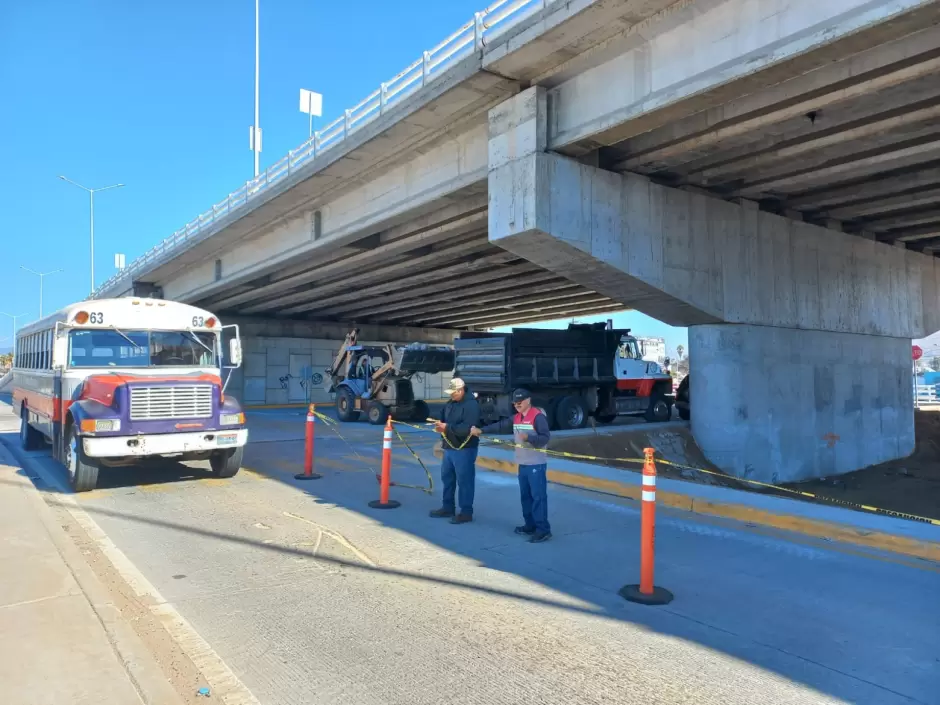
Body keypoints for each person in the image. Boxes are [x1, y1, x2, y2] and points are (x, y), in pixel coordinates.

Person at [471, 388, 552, 543]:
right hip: (522, 463)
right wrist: (481, 430)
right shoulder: (517, 417)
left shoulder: (538, 417)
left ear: (528, 400)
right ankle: (530, 525)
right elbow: (500, 425)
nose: (517, 405)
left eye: (520, 402)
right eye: (515, 403)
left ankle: (543, 530)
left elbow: (545, 438)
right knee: (525, 497)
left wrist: (529, 438)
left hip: (536, 464)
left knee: (538, 498)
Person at [430, 378, 481, 524]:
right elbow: (444, 417)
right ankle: (448, 507)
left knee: (465, 481)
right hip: (449, 447)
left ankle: (466, 512)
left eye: (453, 393)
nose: (451, 395)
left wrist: (446, 428)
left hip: (464, 449)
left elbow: (468, 428)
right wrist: (438, 423)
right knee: (447, 478)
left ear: (461, 390)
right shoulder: (451, 403)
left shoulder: (471, 405)